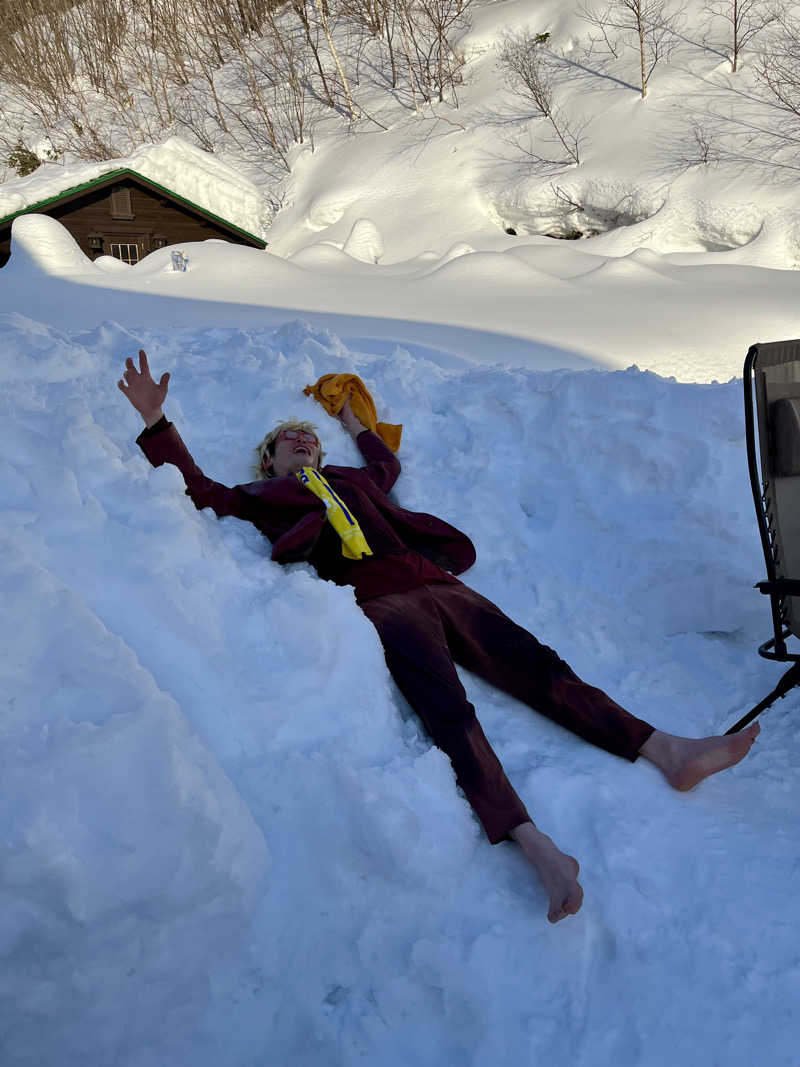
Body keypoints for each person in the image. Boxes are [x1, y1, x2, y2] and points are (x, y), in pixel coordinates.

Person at [119, 350, 760, 924]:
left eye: (308, 438)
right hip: (377, 595)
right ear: (269, 459)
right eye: (289, 440)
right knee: (448, 712)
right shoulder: (260, 494)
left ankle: (668, 751)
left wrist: (354, 422)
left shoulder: (354, 479)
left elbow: (385, 462)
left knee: (541, 667)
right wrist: (156, 423)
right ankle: (534, 844)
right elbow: (198, 491)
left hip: (431, 579)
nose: (301, 441)